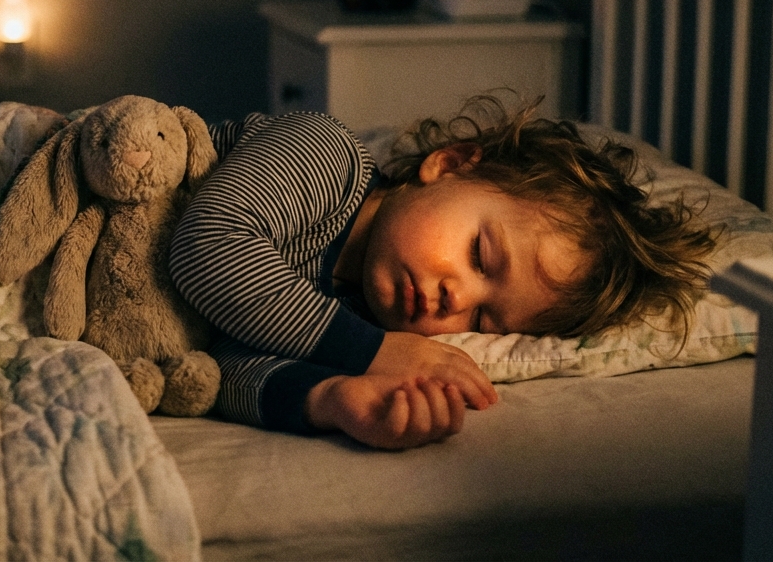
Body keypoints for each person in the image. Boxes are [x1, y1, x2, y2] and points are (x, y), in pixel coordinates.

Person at [168, 95, 717, 450]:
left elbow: (216, 365)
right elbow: (206, 248)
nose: (457, 299)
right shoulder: (325, 155)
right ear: (449, 165)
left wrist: (332, 398)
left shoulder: (350, 314)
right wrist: (373, 353)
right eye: (480, 255)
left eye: (481, 321)